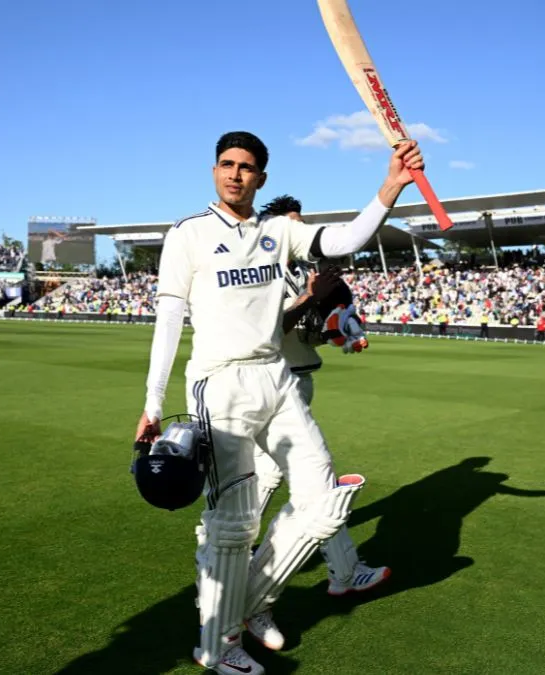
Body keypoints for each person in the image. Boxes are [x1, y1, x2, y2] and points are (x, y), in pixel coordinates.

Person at [136, 131, 424, 675]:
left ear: (260, 178)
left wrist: (390, 187)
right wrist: (153, 404)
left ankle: (245, 609)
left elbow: (343, 241)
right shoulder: (189, 234)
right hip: (220, 385)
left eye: (246, 167)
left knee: (323, 504)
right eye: (226, 164)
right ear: (214, 169)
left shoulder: (277, 232)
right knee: (232, 525)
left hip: (278, 377)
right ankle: (217, 644)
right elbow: (169, 319)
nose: (235, 174)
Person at [236, 195, 390, 650]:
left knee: (287, 485)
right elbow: (266, 332)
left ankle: (330, 573)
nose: (300, 234)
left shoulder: (303, 270)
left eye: (302, 225)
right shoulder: (258, 271)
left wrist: (343, 331)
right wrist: (310, 297)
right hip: (269, 388)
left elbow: (313, 329)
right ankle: (251, 580)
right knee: (303, 485)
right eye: (292, 225)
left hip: (298, 382)